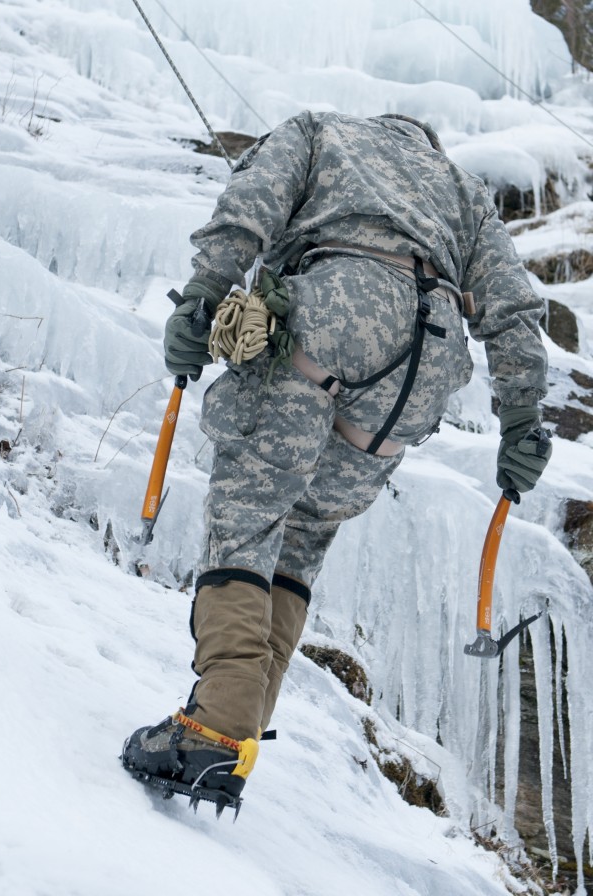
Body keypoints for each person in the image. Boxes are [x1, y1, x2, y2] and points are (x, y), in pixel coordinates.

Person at [122, 111, 552, 812]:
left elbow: (252, 203)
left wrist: (205, 295)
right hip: (425, 361)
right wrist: (524, 420)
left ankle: (210, 731)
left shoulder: (321, 130)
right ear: (426, 142)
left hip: (332, 305)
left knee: (249, 510)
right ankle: (241, 731)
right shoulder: (462, 189)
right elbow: (511, 308)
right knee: (304, 532)